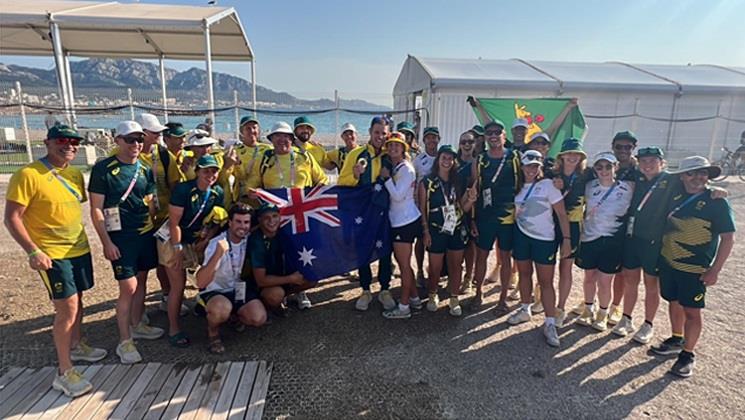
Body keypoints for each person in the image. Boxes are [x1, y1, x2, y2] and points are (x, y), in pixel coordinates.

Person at [5, 125, 106, 397]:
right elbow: (12, 217)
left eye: (74, 141)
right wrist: (32, 251)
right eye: (63, 140)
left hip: (78, 248)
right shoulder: (28, 174)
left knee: (79, 299)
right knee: (67, 309)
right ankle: (64, 371)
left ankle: (77, 343)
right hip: (52, 253)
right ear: (48, 142)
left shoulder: (73, 174)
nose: (70, 145)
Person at [652, 157, 735, 378]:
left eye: (703, 173)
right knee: (673, 301)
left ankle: (688, 355)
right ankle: (677, 338)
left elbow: (728, 238)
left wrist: (715, 270)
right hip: (669, 263)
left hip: (694, 269)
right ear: (682, 176)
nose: (698, 177)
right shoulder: (675, 194)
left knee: (692, 311)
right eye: (692, 173)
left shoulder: (716, 202)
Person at [89, 121, 163, 365]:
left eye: (139, 139)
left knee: (142, 279)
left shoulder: (143, 168)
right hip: (121, 237)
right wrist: (106, 242)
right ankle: (124, 341)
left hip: (144, 233)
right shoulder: (104, 169)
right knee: (128, 287)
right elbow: (96, 210)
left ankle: (137, 323)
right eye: (130, 140)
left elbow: (149, 200)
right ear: (117, 140)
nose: (136, 144)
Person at [505, 150, 571, 347]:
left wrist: (567, 239)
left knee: (546, 281)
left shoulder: (548, 185)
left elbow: (561, 214)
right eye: (528, 165)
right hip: (521, 236)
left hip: (545, 239)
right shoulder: (517, 187)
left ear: (540, 167)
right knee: (524, 274)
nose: (531, 169)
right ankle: (525, 309)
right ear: (522, 166)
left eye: (535, 166)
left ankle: (550, 323)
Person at [160, 154, 226, 348]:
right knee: (178, 286)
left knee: (208, 277)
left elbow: (216, 221)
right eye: (206, 170)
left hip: (197, 240)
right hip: (174, 239)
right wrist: (178, 247)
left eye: (214, 171)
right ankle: (174, 329)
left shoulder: (217, 192)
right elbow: (174, 222)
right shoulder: (184, 190)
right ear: (197, 171)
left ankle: (204, 308)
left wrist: (207, 237)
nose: (210, 175)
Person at [338, 116, 396, 311]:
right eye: (377, 132)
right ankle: (365, 289)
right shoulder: (356, 154)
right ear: (370, 132)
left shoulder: (390, 155)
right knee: (363, 247)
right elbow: (342, 183)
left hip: (384, 211)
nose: (380, 136)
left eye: (383, 133)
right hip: (363, 211)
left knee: (385, 249)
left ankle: (385, 289)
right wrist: (355, 174)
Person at [134, 114, 189, 316]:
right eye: (154, 132)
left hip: (163, 218)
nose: (158, 135)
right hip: (139, 221)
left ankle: (166, 297)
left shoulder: (164, 155)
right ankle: (137, 312)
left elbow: (174, 185)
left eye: (159, 131)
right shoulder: (126, 155)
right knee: (141, 268)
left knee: (164, 261)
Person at [195, 203, 267, 354]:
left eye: (246, 222)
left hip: (238, 289)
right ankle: (213, 333)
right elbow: (201, 282)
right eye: (238, 222)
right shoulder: (217, 243)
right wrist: (218, 254)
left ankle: (233, 317)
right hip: (217, 291)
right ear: (230, 223)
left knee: (259, 317)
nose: (243, 226)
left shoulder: (249, 239)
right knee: (221, 309)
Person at [575, 152, 633, 331]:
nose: (604, 170)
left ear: (616, 167)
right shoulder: (589, 186)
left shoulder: (629, 187)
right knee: (589, 277)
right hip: (589, 238)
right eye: (599, 167)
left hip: (612, 241)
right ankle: (588, 309)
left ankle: (603, 313)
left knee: (605, 281)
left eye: (608, 166)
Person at [417, 145, 478, 317]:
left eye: (450, 158)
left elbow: (463, 208)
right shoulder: (427, 182)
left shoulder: (457, 181)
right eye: (444, 157)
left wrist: (471, 200)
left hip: (456, 228)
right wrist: (425, 231)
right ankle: (432, 294)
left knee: (456, 266)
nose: (447, 161)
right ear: (438, 160)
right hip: (436, 229)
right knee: (435, 267)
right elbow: (422, 209)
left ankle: (454, 297)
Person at [470, 120, 521, 309]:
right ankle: (478, 293)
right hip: (486, 216)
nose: (493, 135)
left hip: (509, 217)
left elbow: (523, 185)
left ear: (504, 135)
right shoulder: (480, 160)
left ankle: (502, 299)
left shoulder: (515, 157)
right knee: (481, 256)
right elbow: (475, 190)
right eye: (489, 132)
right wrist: (473, 219)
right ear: (485, 136)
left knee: (505, 257)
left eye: (497, 132)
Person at [378, 132, 424, 319]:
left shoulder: (406, 169)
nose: (393, 148)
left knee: (404, 265)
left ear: (404, 147)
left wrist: (386, 178)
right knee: (404, 264)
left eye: (397, 145)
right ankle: (414, 298)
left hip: (404, 221)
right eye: (390, 145)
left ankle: (404, 307)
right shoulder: (398, 166)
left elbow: (397, 195)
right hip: (400, 219)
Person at [251, 202, 317, 315]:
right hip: (262, 283)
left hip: (283, 274)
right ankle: (267, 304)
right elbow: (261, 280)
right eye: (266, 218)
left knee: (312, 278)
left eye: (275, 216)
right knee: (275, 295)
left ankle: (284, 296)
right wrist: (291, 278)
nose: (271, 221)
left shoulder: (284, 231)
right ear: (259, 220)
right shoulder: (257, 241)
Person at [548, 138, 587, 328]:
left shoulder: (586, 176)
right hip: (549, 224)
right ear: (561, 156)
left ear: (580, 157)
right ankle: (542, 298)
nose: (572, 157)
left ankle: (560, 308)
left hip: (572, 227)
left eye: (576, 154)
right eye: (569, 153)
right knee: (546, 265)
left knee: (566, 268)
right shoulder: (551, 173)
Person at [250, 122, 328, 190]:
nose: (282, 139)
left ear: (291, 139)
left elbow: (322, 179)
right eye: (277, 136)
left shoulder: (304, 156)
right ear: (271, 139)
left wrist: (319, 190)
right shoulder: (264, 158)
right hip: (274, 205)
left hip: (302, 204)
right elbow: (252, 184)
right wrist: (253, 192)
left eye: (286, 136)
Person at [412, 127, 441, 286]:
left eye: (434, 137)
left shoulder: (444, 157)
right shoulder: (418, 160)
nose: (431, 140)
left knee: (437, 239)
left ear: (439, 139)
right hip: (420, 206)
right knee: (421, 240)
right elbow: (413, 182)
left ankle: (435, 270)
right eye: (428, 138)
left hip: (439, 207)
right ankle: (420, 271)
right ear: (424, 140)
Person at [231, 116, 272, 203]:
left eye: (254, 128)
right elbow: (237, 176)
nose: (252, 131)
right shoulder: (236, 150)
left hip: (263, 196)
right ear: (242, 131)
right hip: (242, 197)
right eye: (248, 128)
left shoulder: (267, 150)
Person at [456, 131, 478, 293]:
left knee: (471, 245)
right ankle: (455, 275)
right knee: (455, 244)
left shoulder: (477, 163)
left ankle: (468, 278)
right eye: (463, 142)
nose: (467, 145)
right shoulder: (453, 162)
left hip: (472, 208)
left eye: (470, 142)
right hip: (453, 208)